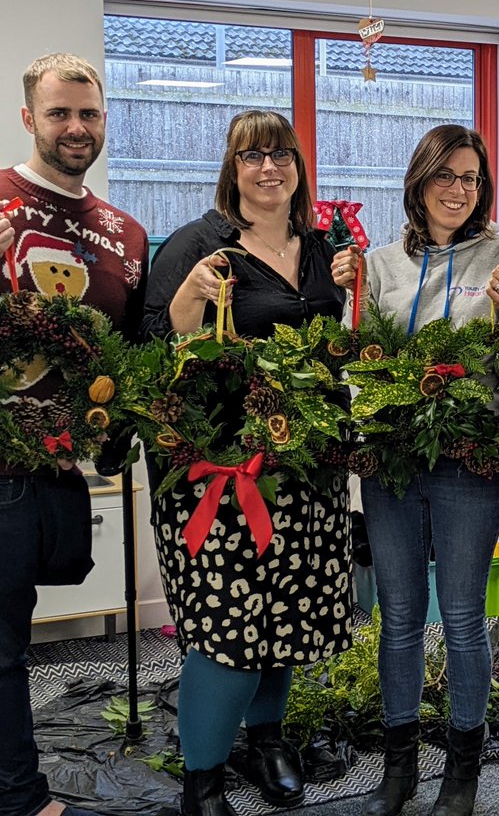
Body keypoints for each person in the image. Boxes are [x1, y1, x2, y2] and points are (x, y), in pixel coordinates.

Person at [141, 111, 357, 814]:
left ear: (298, 165)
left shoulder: (324, 243)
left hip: (306, 473)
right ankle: (200, 780)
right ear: (232, 168)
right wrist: (186, 306)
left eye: (281, 153)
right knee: (228, 630)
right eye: (252, 154)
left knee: (284, 620)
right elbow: (152, 360)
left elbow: (334, 345)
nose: (269, 167)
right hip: (222, 480)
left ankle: (264, 741)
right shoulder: (198, 246)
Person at [360, 124, 499, 816]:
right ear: (419, 182)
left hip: (470, 464)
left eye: (471, 179)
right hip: (392, 464)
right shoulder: (380, 265)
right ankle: (399, 769)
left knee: (464, 615)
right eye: (446, 176)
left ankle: (462, 772)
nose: (459, 190)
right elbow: (358, 360)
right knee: (398, 614)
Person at [0, 54, 148, 816]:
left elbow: (127, 357)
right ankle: (22, 798)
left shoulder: (126, 234)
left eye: (88, 113)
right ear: (30, 117)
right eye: (59, 113)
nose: (76, 127)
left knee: (19, 628)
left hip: (63, 468)